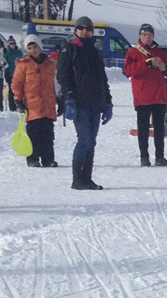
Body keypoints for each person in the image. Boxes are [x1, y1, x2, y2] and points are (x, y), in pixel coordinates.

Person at [57, 17, 113, 190]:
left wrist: (108, 102)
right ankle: (77, 179)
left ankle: (87, 178)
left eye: (88, 29)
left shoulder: (94, 51)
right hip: (79, 102)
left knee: (92, 141)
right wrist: (69, 99)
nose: (84, 31)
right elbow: (63, 76)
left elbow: (102, 79)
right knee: (84, 140)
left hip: (95, 102)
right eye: (81, 28)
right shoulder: (69, 49)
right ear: (75, 30)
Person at [124, 22, 167, 166]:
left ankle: (160, 156)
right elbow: (129, 70)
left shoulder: (159, 52)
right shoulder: (133, 52)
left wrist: (163, 66)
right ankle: (144, 157)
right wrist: (147, 63)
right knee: (143, 127)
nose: (147, 37)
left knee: (159, 128)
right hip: (143, 96)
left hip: (159, 96)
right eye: (145, 34)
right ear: (140, 35)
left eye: (150, 34)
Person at [11, 34, 58, 167]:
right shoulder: (23, 65)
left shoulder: (50, 64)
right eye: (30, 48)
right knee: (34, 134)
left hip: (48, 105)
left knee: (48, 134)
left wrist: (60, 99)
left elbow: (56, 83)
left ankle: (48, 159)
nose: (33, 50)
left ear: (40, 47)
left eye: (35, 47)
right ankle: (33, 159)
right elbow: (17, 83)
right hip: (32, 106)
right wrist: (18, 100)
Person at [5, 36, 23, 111]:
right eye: (11, 44)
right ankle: (12, 107)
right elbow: (5, 63)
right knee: (11, 91)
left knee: (19, 90)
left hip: (18, 74)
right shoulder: (7, 53)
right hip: (10, 74)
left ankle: (20, 105)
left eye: (14, 43)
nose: (12, 45)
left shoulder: (19, 52)